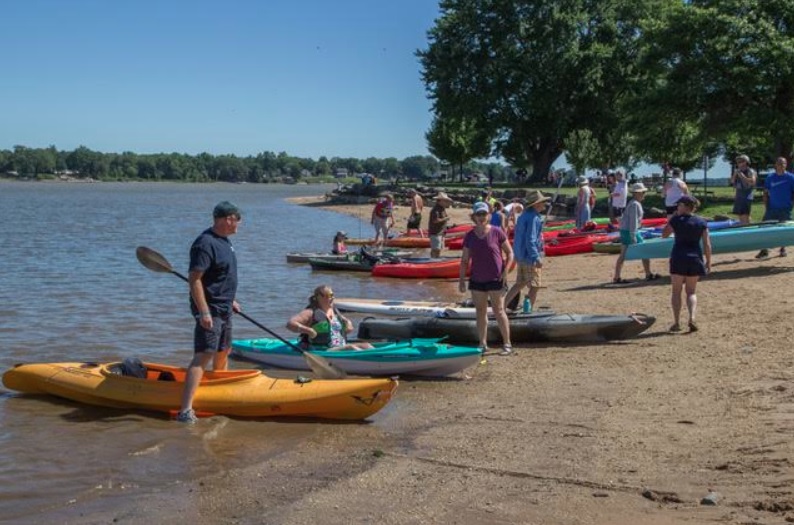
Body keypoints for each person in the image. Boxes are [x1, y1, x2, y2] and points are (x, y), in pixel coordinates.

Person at [177, 201, 243, 423]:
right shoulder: (204, 244)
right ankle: (185, 409)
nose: (239, 225)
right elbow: (194, 279)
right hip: (211, 310)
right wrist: (204, 312)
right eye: (238, 220)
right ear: (228, 219)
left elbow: (219, 276)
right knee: (203, 355)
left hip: (225, 308)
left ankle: (218, 393)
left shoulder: (225, 242)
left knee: (224, 350)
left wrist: (231, 299)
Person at [459, 202, 514, 356]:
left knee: (499, 311)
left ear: (489, 216)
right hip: (477, 280)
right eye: (479, 214)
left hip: (496, 279)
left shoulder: (497, 232)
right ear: (474, 217)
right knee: (480, 312)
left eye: (484, 214)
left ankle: (507, 344)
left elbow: (510, 253)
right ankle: (482, 344)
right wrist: (461, 280)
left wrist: (506, 272)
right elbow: (464, 260)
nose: (481, 217)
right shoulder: (469, 236)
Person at [661, 195, 711, 332]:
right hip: (695, 258)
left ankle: (677, 322)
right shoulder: (701, 222)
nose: (677, 207)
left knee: (676, 291)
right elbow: (707, 244)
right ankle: (692, 317)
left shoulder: (676, 220)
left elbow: (664, 234)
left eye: (679, 205)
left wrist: (674, 217)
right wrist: (708, 262)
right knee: (691, 292)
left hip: (678, 257)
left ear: (685, 206)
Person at [504, 190, 550, 312]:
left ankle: (501, 307)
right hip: (529, 257)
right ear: (536, 204)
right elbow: (531, 239)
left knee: (520, 283)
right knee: (535, 285)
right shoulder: (534, 218)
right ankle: (528, 310)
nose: (544, 204)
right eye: (542, 202)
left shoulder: (524, 216)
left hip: (521, 255)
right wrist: (536, 257)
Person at [287, 285, 373, 350]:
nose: (332, 298)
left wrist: (348, 324)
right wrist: (309, 330)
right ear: (318, 297)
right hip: (322, 350)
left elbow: (343, 326)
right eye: (328, 295)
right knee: (352, 348)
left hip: (339, 347)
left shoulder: (335, 311)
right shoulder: (310, 312)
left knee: (367, 345)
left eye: (332, 295)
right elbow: (290, 324)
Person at [613, 183, 660, 283]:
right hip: (630, 231)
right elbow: (633, 221)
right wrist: (633, 235)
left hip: (625, 230)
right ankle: (648, 274)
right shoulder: (635, 204)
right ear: (637, 193)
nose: (644, 194)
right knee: (644, 251)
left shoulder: (633, 203)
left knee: (623, 255)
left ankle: (617, 277)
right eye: (643, 192)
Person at [756, 157, 794, 258]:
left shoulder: (791, 178)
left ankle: (782, 249)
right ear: (775, 165)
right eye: (779, 163)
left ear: (786, 165)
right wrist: (766, 206)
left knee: (784, 229)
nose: (781, 165)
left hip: (785, 209)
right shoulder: (770, 178)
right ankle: (764, 250)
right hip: (772, 209)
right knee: (764, 227)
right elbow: (765, 193)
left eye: (784, 163)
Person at [730, 154, 757, 225]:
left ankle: (747, 228)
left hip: (746, 196)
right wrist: (735, 174)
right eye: (738, 162)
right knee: (740, 215)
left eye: (741, 161)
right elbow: (732, 181)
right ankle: (743, 226)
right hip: (739, 196)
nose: (739, 163)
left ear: (746, 162)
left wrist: (742, 176)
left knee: (745, 215)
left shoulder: (751, 171)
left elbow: (753, 182)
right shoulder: (738, 171)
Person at [428, 192, 452, 258]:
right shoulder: (435, 210)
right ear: (440, 201)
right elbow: (435, 220)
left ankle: (435, 260)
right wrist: (446, 218)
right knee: (435, 249)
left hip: (440, 232)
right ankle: (432, 261)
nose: (446, 202)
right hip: (435, 232)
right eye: (445, 201)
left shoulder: (442, 208)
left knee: (438, 249)